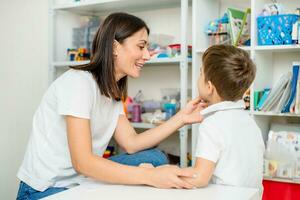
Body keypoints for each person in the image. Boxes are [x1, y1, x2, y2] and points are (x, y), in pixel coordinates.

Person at [16, 12, 203, 199]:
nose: (147, 55)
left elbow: (131, 143)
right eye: (141, 46)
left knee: (156, 157)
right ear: (114, 47)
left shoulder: (111, 91)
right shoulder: (78, 83)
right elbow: (82, 163)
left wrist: (181, 119)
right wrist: (150, 176)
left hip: (81, 180)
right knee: (151, 167)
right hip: (47, 189)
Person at [180, 45, 265, 194]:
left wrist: (166, 173)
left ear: (209, 87)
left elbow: (199, 178)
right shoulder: (250, 122)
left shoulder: (212, 125)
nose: (198, 78)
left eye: (201, 74)